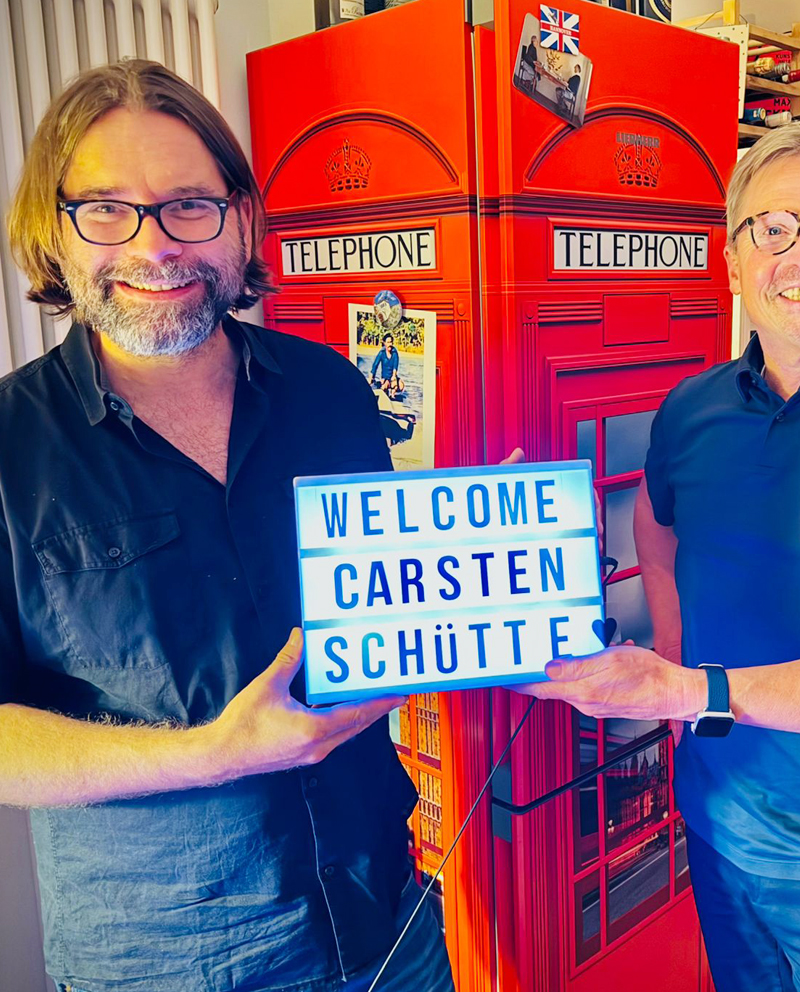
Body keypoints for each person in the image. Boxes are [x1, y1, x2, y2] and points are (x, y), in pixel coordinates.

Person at [1, 60, 456, 992]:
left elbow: (389, 599)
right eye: (107, 210)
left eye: (189, 206)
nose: (156, 245)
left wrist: (492, 559)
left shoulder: (332, 388)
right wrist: (212, 753)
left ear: (242, 217)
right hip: (165, 957)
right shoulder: (11, 445)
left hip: (389, 915)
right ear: (55, 228)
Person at [519, 116, 800, 992]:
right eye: (774, 228)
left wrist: (688, 691)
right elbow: (657, 525)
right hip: (719, 823)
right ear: (733, 262)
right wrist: (674, 643)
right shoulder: (693, 406)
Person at [370, 332, 403, 399]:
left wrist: (394, 377)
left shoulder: (394, 353)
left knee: (401, 386)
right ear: (384, 343)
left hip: (393, 377)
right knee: (384, 387)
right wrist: (371, 377)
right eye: (388, 342)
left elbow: (395, 367)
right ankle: (385, 390)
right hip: (385, 378)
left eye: (391, 342)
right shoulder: (381, 353)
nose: (390, 344)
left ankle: (392, 395)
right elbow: (375, 366)